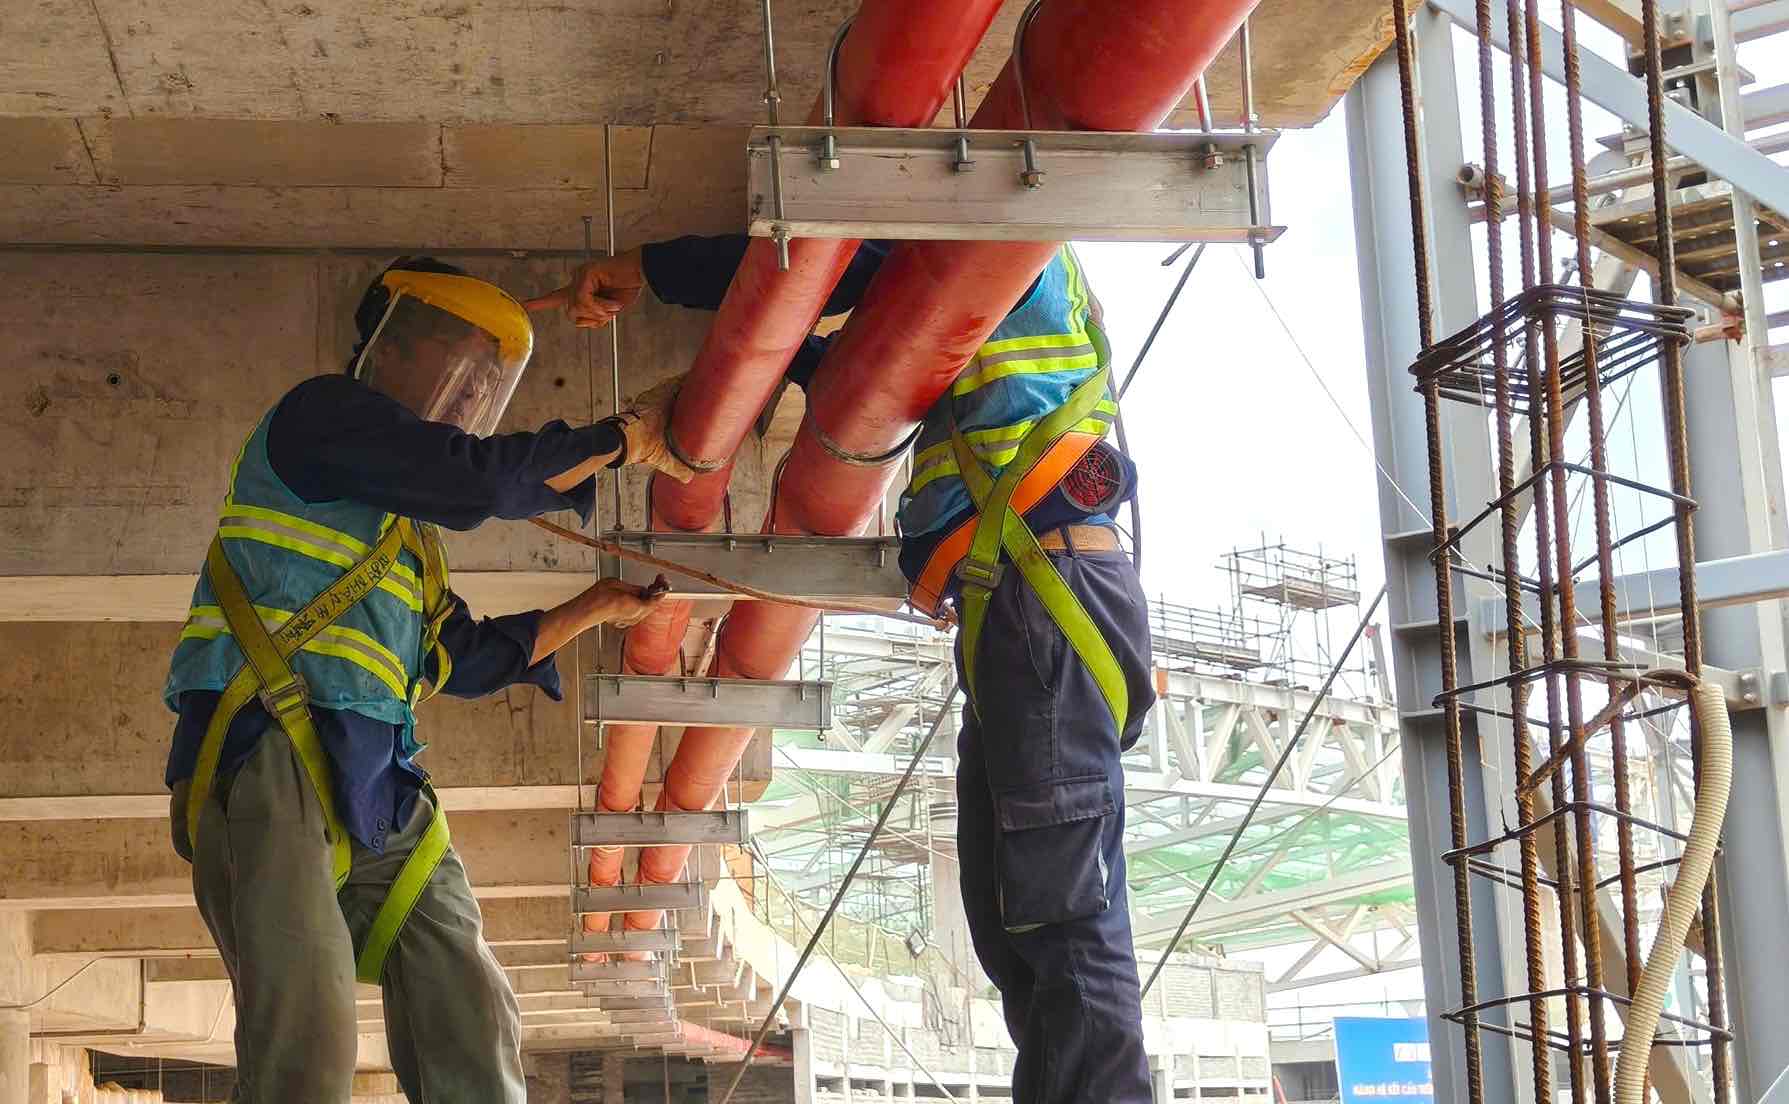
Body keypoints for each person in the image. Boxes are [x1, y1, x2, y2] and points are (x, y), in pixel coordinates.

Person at [531, 237, 1158, 1104]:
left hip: (1044, 591)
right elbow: (884, 357)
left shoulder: (993, 231)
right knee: (1009, 910)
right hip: (1023, 606)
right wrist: (786, 372)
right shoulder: (990, 289)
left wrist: (647, 272)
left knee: (1057, 913)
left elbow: (816, 266)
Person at [162, 257, 694, 1103]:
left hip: (382, 787)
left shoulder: (405, 544)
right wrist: (623, 440)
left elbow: (469, 659)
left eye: (485, 381)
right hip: (266, 753)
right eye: (457, 366)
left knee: (471, 1011)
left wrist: (593, 609)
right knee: (309, 1041)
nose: (468, 396)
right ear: (391, 347)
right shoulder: (320, 418)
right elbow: (474, 480)